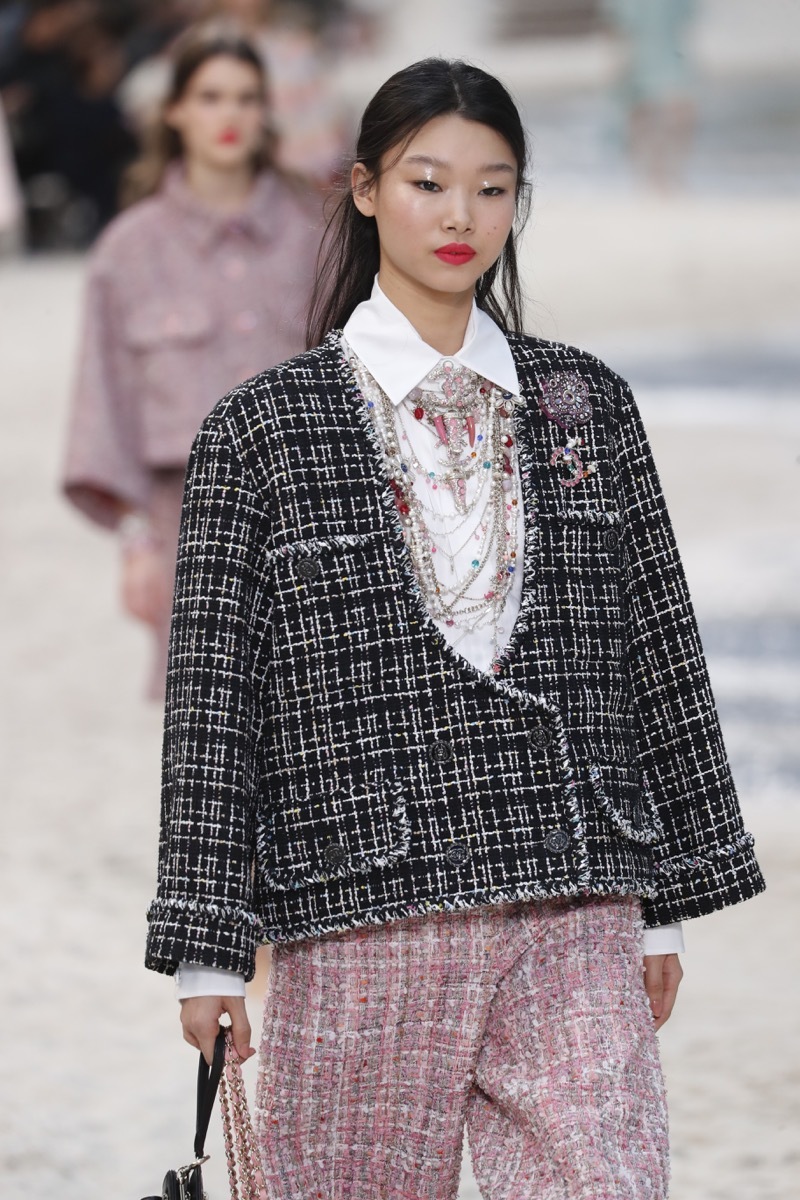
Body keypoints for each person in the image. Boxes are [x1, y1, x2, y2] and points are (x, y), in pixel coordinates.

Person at [145, 57, 765, 1199]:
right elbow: (215, 700)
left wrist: (661, 906)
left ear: (517, 204)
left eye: (492, 189)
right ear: (366, 188)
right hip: (360, 904)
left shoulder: (586, 401)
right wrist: (206, 939)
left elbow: (649, 650)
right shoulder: (262, 428)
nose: (460, 217)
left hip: (572, 889)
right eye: (428, 182)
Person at [62, 21, 322, 697]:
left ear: (266, 111)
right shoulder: (129, 251)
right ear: (174, 110)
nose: (228, 115)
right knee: (213, 757)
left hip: (316, 523)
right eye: (209, 97)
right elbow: (105, 399)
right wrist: (136, 547)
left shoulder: (314, 234)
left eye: (244, 97)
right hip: (192, 533)